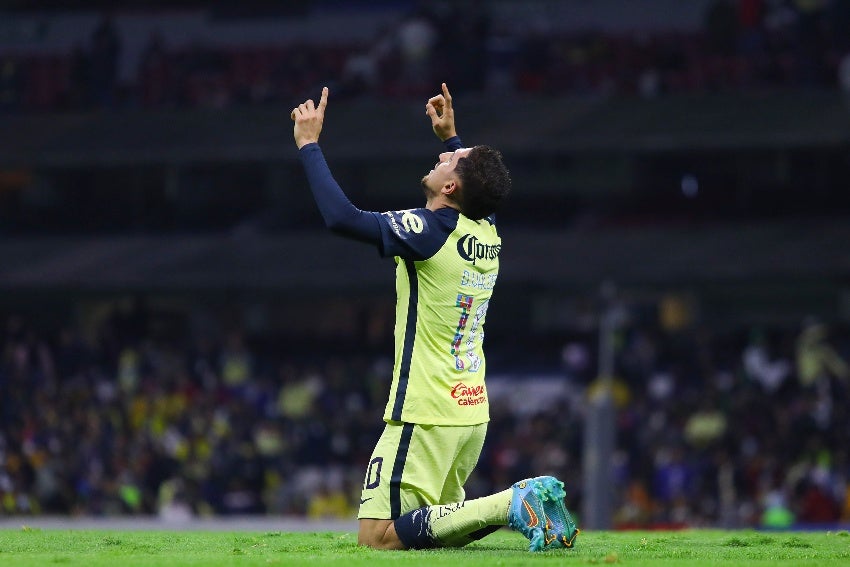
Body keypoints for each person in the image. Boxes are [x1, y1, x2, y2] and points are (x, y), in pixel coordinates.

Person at [291, 83, 579, 552]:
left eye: (450, 159)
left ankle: (513, 502)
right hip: (470, 411)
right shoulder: (486, 231)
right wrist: (451, 137)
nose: (444, 156)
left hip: (424, 412)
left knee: (378, 537)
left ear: (450, 186)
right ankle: (522, 509)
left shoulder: (428, 232)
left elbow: (342, 219)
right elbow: (476, 188)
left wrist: (309, 145)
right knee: (435, 532)